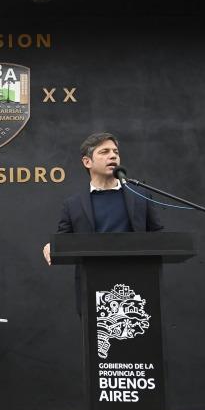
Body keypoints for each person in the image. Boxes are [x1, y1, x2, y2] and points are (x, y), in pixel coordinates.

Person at [42, 132, 163, 312]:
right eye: (104, 152)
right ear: (87, 162)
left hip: (137, 290)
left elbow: (158, 237)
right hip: (93, 289)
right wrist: (52, 245)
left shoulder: (140, 196)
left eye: (115, 152)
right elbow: (64, 240)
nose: (113, 156)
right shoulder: (73, 204)